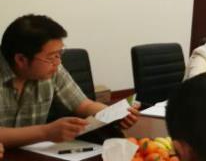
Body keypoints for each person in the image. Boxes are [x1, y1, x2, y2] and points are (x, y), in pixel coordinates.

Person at [0, 15, 139, 149]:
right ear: (21, 60)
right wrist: (46, 132)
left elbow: (83, 105)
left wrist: (114, 115)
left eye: (59, 54)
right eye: (51, 57)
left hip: (30, 154)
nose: (58, 62)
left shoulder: (52, 69)